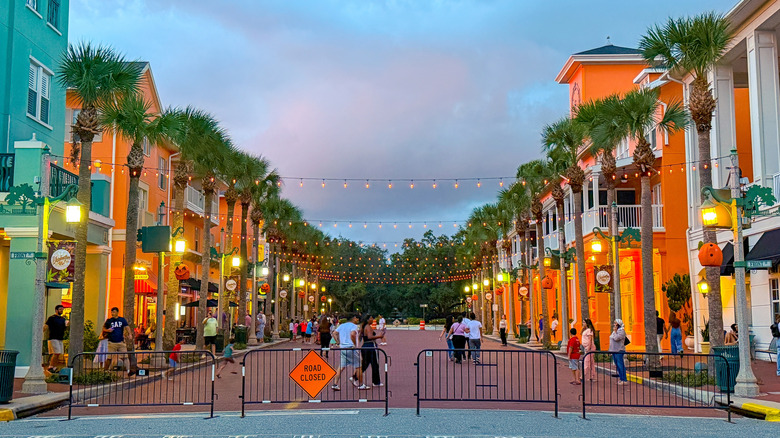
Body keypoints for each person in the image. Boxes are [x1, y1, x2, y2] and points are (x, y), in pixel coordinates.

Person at [331, 314, 360, 391]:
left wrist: (338, 342)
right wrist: (354, 344)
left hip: (343, 348)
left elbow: (334, 333)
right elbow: (353, 334)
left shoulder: (342, 326)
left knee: (341, 367)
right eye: (357, 319)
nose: (358, 321)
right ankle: (360, 383)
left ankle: (335, 383)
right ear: (354, 318)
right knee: (359, 365)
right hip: (350, 347)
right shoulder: (354, 326)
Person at [103, 307, 133, 374]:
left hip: (120, 342)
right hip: (112, 342)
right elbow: (103, 328)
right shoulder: (109, 321)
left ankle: (128, 371)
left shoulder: (122, 320)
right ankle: (105, 371)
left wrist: (130, 334)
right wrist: (108, 330)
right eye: (112, 312)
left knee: (125, 357)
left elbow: (127, 327)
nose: (112, 313)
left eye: (114, 312)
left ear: (117, 312)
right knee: (109, 358)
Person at [357, 315, 384, 389]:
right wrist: (379, 336)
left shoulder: (364, 327)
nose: (373, 320)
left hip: (365, 346)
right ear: (368, 319)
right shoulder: (368, 327)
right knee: (374, 363)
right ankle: (376, 381)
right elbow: (369, 337)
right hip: (370, 346)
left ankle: (355, 377)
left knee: (365, 363)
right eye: (372, 318)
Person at [44, 304, 68, 373]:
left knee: (59, 353)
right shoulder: (52, 318)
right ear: (56, 310)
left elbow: (65, 327)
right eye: (60, 309)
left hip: (60, 338)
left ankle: (54, 367)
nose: (61, 311)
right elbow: (46, 326)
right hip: (53, 337)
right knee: (56, 352)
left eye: (62, 309)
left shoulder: (63, 319)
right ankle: (50, 367)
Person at [609, 319, 628, 385]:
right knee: (617, 365)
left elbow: (616, 338)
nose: (614, 325)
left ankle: (624, 379)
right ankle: (621, 378)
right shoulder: (615, 331)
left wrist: (615, 332)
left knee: (620, 365)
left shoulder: (621, 331)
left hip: (619, 350)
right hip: (614, 350)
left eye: (615, 323)